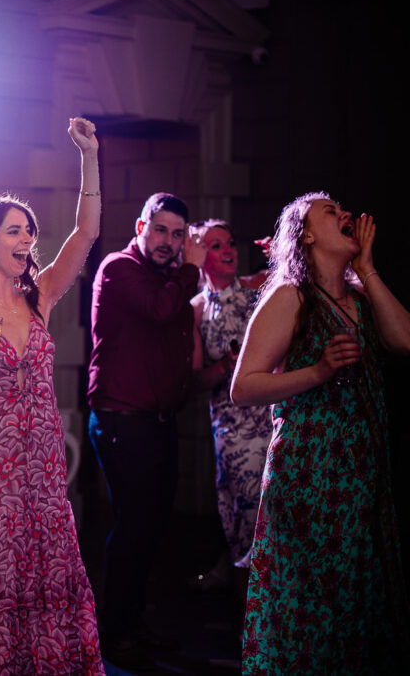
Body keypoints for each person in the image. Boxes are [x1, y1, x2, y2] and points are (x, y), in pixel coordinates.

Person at [0, 117, 103, 674]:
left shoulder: (41, 296)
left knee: (47, 581)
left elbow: (85, 233)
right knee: (0, 585)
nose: (27, 238)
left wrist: (89, 156)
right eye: (13, 230)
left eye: (29, 230)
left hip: (44, 469)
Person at [232, 193, 410, 673]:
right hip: (307, 477)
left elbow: (405, 339)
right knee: (307, 605)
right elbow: (243, 387)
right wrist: (318, 371)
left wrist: (367, 269)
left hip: (359, 477)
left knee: (353, 603)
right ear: (306, 235)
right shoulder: (292, 296)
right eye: (330, 211)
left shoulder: (361, 299)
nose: (345, 214)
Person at [86, 191, 204, 669]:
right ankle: (115, 635)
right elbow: (159, 310)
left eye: (178, 235)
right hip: (123, 419)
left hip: (158, 421)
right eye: (160, 230)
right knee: (132, 527)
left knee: (152, 528)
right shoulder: (119, 268)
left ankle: (131, 624)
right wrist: (191, 269)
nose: (168, 242)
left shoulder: (169, 279)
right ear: (141, 229)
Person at [188, 220, 271, 593]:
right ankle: (245, 614)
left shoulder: (258, 285)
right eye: (216, 245)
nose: (228, 251)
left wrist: (281, 254)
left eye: (231, 243)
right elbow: (195, 380)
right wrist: (226, 365)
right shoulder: (196, 309)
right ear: (199, 255)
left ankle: (278, 608)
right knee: (245, 514)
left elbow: (308, 278)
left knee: (277, 507)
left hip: (271, 414)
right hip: (233, 426)